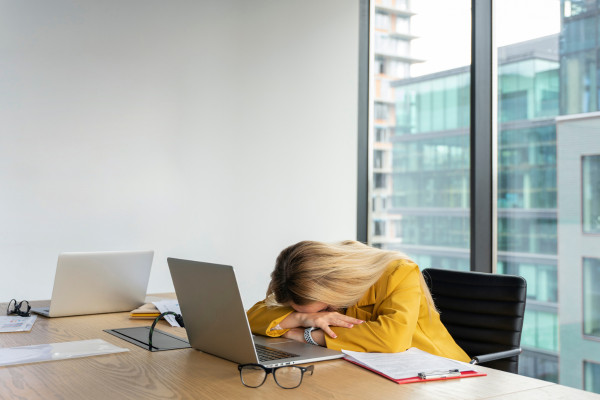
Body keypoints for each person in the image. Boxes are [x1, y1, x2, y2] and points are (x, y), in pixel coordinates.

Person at [247, 240, 470, 362]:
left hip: (439, 371)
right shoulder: (301, 281)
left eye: (325, 308)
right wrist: (301, 317)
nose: (323, 315)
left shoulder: (399, 272)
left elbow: (392, 338)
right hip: (370, 368)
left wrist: (305, 335)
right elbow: (251, 317)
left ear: (337, 286)